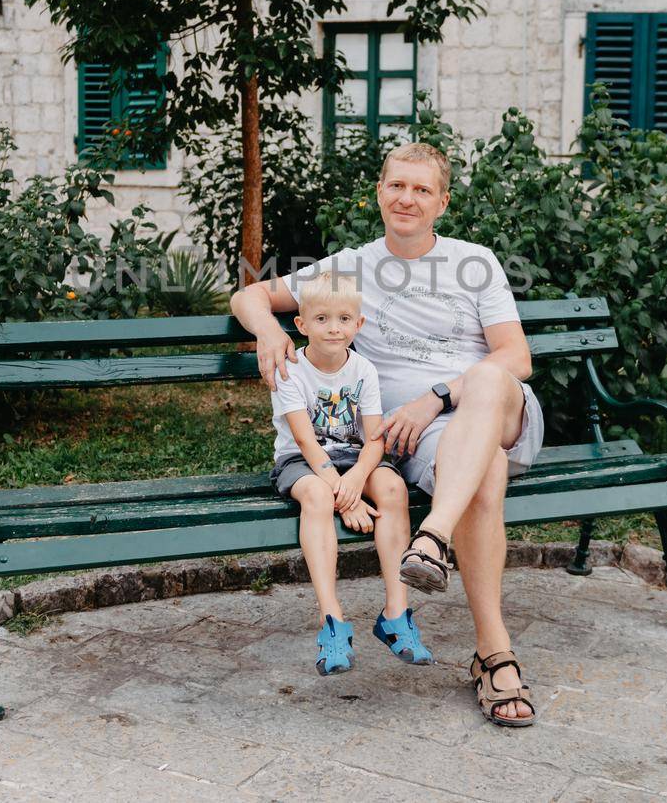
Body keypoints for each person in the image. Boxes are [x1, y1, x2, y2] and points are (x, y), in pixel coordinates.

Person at [231, 142, 540, 727]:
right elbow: (248, 293)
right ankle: (494, 657)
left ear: (442, 203)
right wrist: (270, 332)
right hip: (415, 440)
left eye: (422, 189)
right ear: (379, 191)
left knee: (487, 379)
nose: (407, 198)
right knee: (484, 472)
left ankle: (432, 536)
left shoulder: (474, 261)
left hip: (491, 411)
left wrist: (436, 397)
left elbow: (515, 357)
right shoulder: (350, 269)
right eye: (397, 185)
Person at [268, 271, 433, 676]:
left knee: (393, 487)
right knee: (318, 497)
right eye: (321, 319)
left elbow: (374, 437)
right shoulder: (290, 372)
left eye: (344, 318)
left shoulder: (364, 369)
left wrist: (358, 480)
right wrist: (346, 495)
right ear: (302, 325)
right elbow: (306, 442)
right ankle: (332, 620)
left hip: (354, 459)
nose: (333, 328)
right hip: (303, 462)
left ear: (358, 325)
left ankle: (396, 614)